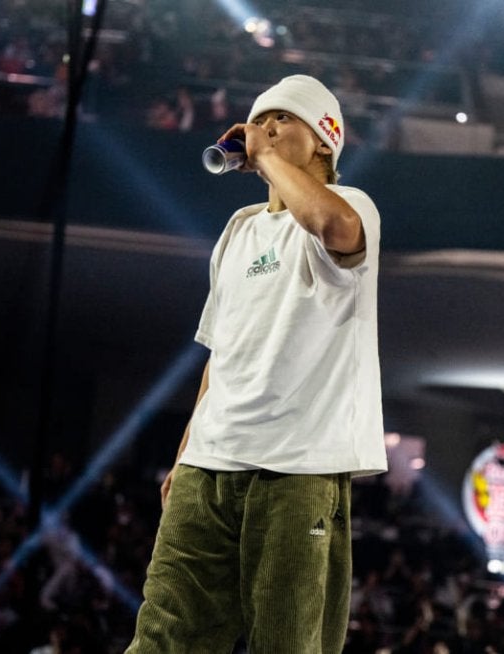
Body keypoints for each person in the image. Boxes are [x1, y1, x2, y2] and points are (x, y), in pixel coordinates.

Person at [125, 74, 387, 653]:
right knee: (163, 638)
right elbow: (221, 353)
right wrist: (185, 454)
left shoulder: (353, 207)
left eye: (281, 119)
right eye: (259, 119)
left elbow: (334, 227)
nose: (262, 129)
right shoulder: (239, 229)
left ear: (324, 138)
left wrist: (265, 158)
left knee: (285, 643)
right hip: (208, 465)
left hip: (297, 469)